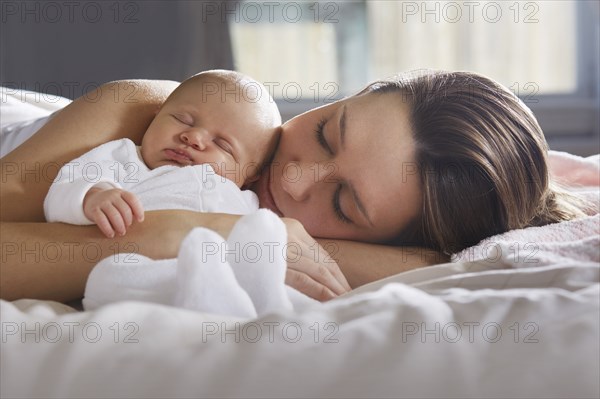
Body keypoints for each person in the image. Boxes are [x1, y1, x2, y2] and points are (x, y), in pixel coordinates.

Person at [0, 70, 587, 303]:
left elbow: (431, 260)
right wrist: (186, 230)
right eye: (328, 131)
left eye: (342, 202)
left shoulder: (386, 250)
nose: (294, 175)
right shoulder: (157, 116)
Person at [44, 70, 281, 238]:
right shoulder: (124, 159)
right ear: (155, 117)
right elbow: (62, 189)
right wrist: (91, 196)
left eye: (223, 145)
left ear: (251, 175)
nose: (194, 137)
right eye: (182, 120)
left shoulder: (246, 203)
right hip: (131, 267)